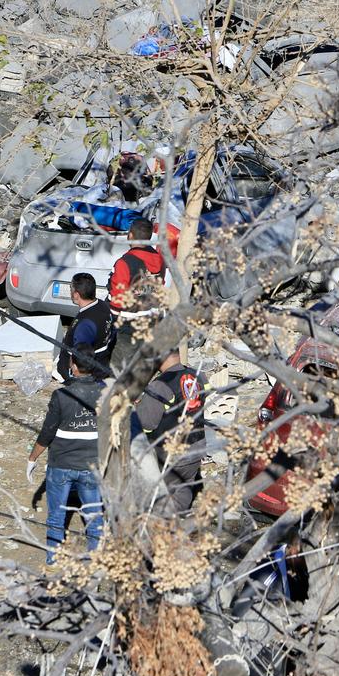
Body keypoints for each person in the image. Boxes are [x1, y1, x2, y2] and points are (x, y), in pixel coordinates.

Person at [28, 350, 104, 563]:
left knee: (56, 517)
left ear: (73, 365)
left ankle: (53, 561)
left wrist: (32, 458)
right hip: (92, 465)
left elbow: (47, 433)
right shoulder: (105, 394)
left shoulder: (62, 395)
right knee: (94, 516)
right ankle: (94, 563)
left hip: (61, 465)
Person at [133, 347, 206, 513]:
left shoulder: (160, 385)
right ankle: (180, 521)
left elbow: (146, 423)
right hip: (197, 445)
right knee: (184, 488)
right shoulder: (198, 375)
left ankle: (164, 527)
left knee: (161, 496)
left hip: (170, 454)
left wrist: (140, 406)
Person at [107, 218, 165, 375]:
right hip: (152, 319)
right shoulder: (159, 259)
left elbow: (118, 300)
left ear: (130, 235)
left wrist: (111, 319)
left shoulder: (124, 263)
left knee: (119, 367)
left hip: (129, 324)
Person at [56, 272, 114, 382]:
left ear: (76, 294)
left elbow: (81, 358)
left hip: (82, 377)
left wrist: (72, 375)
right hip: (103, 364)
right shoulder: (103, 305)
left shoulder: (85, 326)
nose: (70, 292)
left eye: (71, 289)